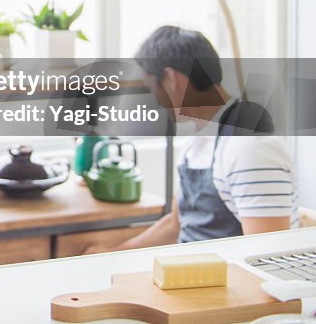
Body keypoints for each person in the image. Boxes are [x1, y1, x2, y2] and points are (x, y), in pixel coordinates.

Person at [86, 26, 298, 254]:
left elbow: (268, 256)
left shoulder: (249, 147)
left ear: (171, 79)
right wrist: (114, 253)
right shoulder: (199, 137)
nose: (153, 100)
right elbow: (175, 224)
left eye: (150, 86)